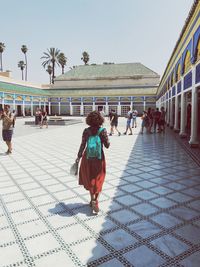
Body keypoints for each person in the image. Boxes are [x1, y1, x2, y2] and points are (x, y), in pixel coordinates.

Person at [76, 111, 110, 213]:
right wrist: (106, 138)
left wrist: (78, 157)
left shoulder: (86, 131)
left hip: (88, 158)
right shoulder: (102, 130)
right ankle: (96, 200)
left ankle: (91, 199)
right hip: (99, 158)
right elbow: (107, 145)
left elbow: (82, 145)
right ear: (100, 119)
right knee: (99, 178)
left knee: (90, 178)